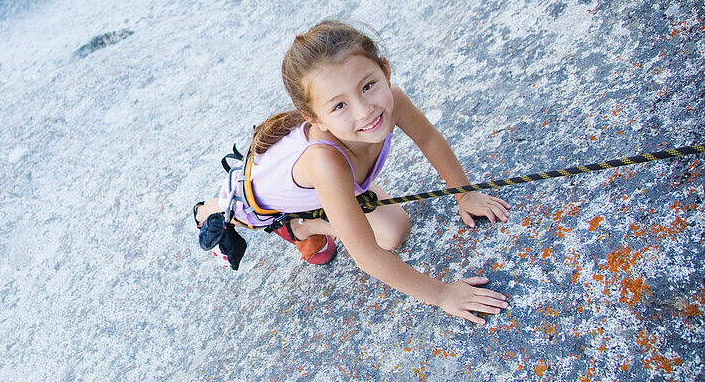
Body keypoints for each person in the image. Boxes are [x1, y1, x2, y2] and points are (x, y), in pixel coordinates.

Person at [193, 20, 511, 325]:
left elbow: (428, 138)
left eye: (368, 85)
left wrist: (465, 194)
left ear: (385, 70)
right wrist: (442, 294)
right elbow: (366, 256)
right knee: (233, 208)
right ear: (314, 118)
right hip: (254, 199)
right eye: (339, 106)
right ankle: (291, 226)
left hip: (329, 185)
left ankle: (309, 219)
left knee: (394, 231)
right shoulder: (325, 162)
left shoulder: (394, 100)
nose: (365, 110)